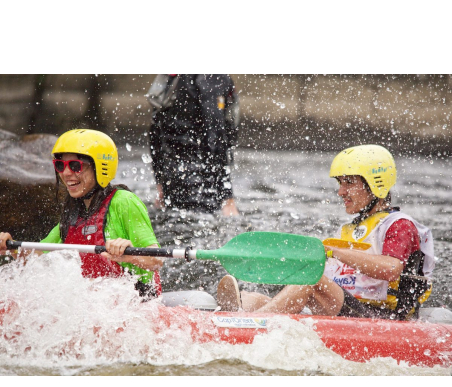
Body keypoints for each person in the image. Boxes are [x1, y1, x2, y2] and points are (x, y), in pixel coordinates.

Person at [217, 145, 435, 320]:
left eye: (349, 183)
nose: (341, 192)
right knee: (254, 297)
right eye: (340, 183)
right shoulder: (349, 229)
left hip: (383, 317)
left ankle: (250, 324)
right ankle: (240, 311)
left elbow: (391, 269)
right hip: (346, 306)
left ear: (376, 185)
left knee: (311, 280)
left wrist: (334, 251)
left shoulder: (400, 225)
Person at [0, 129, 164, 300]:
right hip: (95, 303)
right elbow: (36, 258)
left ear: (101, 167)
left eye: (75, 166)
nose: (66, 173)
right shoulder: (72, 213)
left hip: (137, 302)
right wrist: (10, 246)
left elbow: (156, 260)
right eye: (60, 165)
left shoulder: (124, 202)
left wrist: (128, 255)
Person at [147, 74, 240, 216]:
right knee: (204, 228)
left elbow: (155, 130)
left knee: (175, 226)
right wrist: (227, 196)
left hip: (172, 176)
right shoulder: (212, 76)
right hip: (202, 180)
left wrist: (160, 182)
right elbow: (215, 134)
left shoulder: (175, 76)